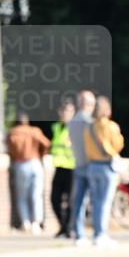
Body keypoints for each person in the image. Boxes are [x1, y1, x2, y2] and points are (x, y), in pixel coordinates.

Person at [84, 95, 124, 247]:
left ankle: (96, 234)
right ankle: (102, 234)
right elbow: (118, 145)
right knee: (105, 202)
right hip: (107, 167)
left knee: (95, 202)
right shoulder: (111, 126)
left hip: (92, 166)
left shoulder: (88, 127)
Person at [6, 112, 50, 233]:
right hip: (35, 162)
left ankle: (25, 222)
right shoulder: (34, 131)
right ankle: (36, 222)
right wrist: (41, 155)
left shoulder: (12, 133)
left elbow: (9, 150)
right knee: (36, 195)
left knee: (22, 196)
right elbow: (46, 143)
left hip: (20, 164)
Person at [67, 89, 96, 246]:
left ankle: (78, 233)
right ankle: (98, 234)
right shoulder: (89, 122)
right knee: (96, 202)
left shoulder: (72, 121)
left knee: (78, 201)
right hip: (91, 164)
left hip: (78, 164)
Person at [50, 99, 76, 237]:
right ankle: (64, 226)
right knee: (54, 199)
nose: (65, 114)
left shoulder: (77, 128)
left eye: (68, 111)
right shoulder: (56, 127)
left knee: (71, 201)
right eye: (63, 111)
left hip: (72, 168)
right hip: (59, 167)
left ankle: (69, 228)